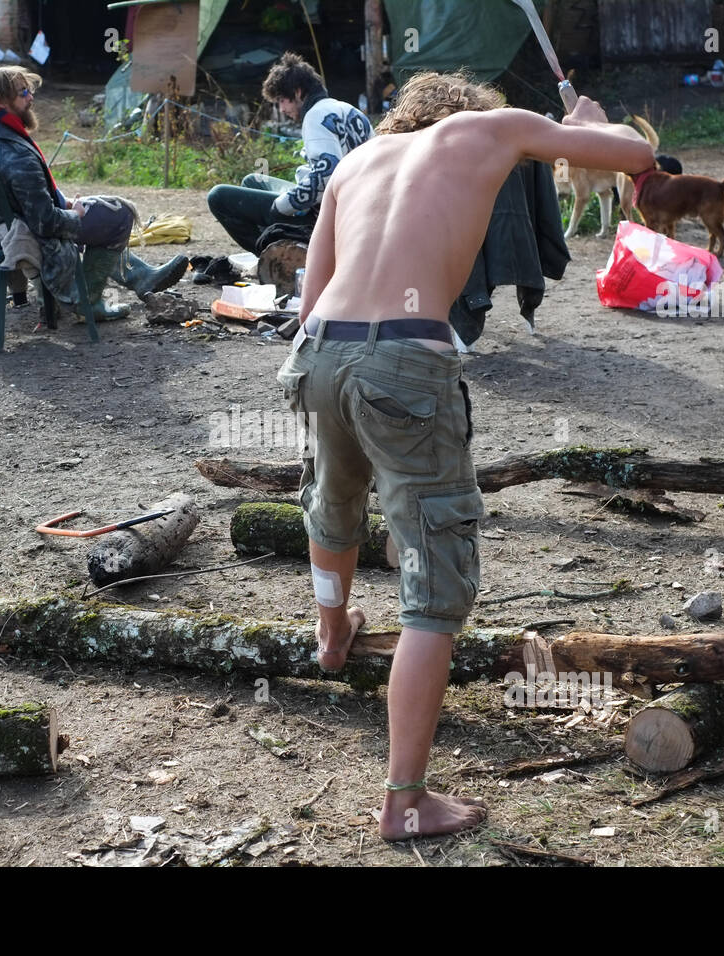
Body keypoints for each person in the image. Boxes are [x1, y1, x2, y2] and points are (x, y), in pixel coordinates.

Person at [276, 72, 654, 841]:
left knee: (332, 499)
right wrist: (591, 119)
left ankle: (330, 631)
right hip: (404, 363)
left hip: (318, 354)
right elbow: (637, 154)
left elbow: (307, 305)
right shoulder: (491, 129)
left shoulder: (356, 163)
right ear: (468, 114)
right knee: (434, 579)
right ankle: (405, 800)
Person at [0, 66, 188, 324]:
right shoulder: (14, 153)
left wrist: (62, 200)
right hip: (23, 230)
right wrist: (73, 214)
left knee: (104, 208)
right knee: (119, 216)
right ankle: (90, 301)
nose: (31, 98)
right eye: (23, 93)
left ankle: (141, 276)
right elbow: (45, 222)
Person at [207, 52, 372, 254]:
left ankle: (276, 256)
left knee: (217, 197)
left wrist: (282, 206)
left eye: (282, 100)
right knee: (254, 181)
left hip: (329, 216)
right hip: (357, 206)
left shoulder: (315, 117)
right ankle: (279, 244)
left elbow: (326, 174)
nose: (282, 109)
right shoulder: (347, 109)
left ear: (298, 92)